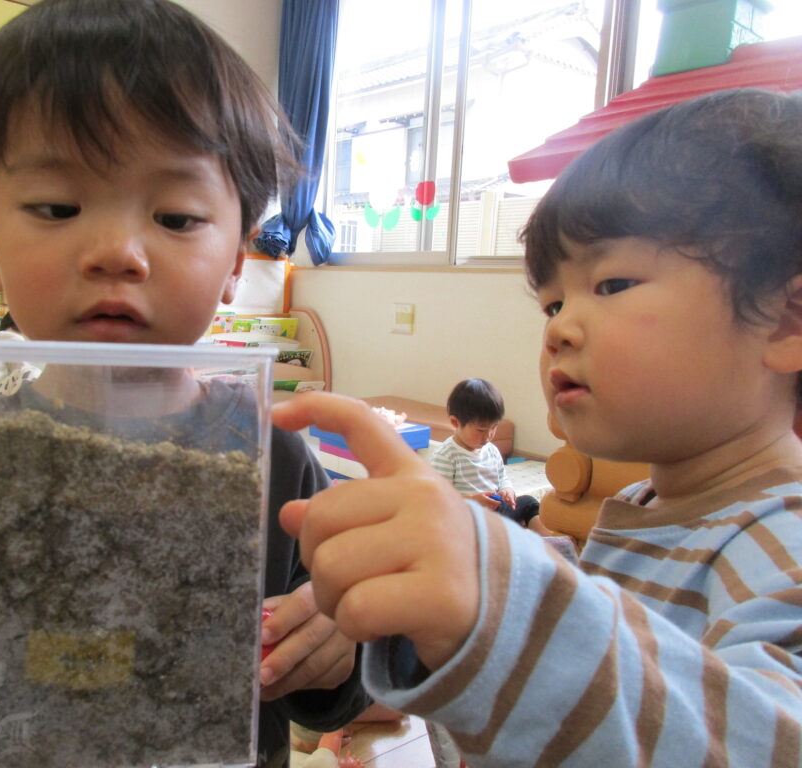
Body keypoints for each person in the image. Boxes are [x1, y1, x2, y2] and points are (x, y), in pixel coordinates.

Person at [0, 0, 367, 763]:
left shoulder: (277, 461)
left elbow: (331, 683)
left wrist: (335, 645)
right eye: (57, 207)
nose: (117, 251)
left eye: (177, 217)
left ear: (235, 261)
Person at [272, 88, 802, 765]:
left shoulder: (785, 545)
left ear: (784, 322)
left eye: (612, 285)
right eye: (552, 303)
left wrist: (500, 599)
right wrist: (410, 611)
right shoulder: (646, 507)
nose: (559, 329)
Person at [428, 378, 542, 530]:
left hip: (495, 512)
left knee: (528, 503)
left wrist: (506, 490)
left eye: (493, 427)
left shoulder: (491, 450)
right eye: (481, 430)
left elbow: (502, 478)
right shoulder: (446, 455)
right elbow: (439, 499)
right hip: (467, 518)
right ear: (455, 423)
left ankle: (549, 541)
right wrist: (472, 500)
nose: (488, 436)